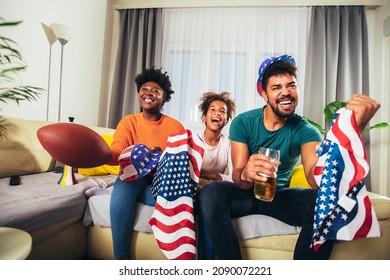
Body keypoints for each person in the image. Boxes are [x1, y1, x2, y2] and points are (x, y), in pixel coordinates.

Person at [198, 54, 381, 260]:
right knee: (212, 191)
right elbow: (239, 179)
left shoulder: (306, 130)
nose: (286, 92)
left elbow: (315, 178)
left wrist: (350, 131)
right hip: (245, 195)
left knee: (321, 200)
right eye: (276, 87)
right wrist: (247, 173)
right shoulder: (243, 122)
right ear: (265, 95)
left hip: (278, 197)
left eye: (291, 86)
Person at [108, 67, 185, 260]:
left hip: (161, 180)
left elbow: (179, 163)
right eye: (144, 89)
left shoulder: (175, 126)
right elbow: (117, 149)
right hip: (132, 176)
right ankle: (121, 264)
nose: (148, 93)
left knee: (177, 199)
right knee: (124, 184)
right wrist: (103, 155)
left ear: (164, 98)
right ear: (138, 93)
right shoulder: (129, 122)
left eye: (155, 90)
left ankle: (137, 196)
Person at [195, 91, 236, 259]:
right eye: (212, 109)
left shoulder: (229, 145)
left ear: (226, 119)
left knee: (208, 206)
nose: (217, 113)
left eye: (222, 111)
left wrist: (211, 175)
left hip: (210, 193)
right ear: (204, 116)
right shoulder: (192, 138)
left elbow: (234, 179)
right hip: (192, 189)